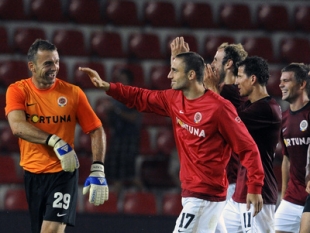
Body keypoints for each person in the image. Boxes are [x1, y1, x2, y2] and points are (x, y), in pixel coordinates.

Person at [79, 50, 265, 233]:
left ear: (191, 75)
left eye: (175, 70)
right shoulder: (174, 98)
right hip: (193, 193)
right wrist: (107, 87)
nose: (169, 75)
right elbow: (140, 97)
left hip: (205, 196)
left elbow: (248, 148)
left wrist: (255, 188)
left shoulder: (220, 108)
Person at [5, 39, 108, 233]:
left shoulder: (73, 93)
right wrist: (55, 141)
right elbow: (17, 126)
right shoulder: (18, 90)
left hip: (63, 172)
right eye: (48, 63)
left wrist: (98, 169)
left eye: (57, 62)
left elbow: (96, 129)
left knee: (51, 231)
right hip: (33, 174)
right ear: (32, 67)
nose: (55, 68)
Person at [170, 37, 248, 233]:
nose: (211, 65)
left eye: (215, 60)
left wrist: (179, 60)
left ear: (228, 64)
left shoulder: (232, 95)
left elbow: (195, 100)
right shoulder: (226, 92)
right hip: (223, 183)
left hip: (227, 184)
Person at [222, 56, 282, 232]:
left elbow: (228, 123)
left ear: (253, 79)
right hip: (240, 193)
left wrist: (211, 89)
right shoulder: (251, 105)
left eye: (240, 76)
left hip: (257, 194)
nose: (237, 81)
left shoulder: (266, 109)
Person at [275, 63, 310, 233]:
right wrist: (283, 194)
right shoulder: (284, 119)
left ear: (302, 84)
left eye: (286, 81)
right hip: (292, 197)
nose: (281, 84)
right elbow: (286, 158)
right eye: (280, 80)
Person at [105, 68, 143, 194]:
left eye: (123, 80)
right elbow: (110, 122)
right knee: (115, 173)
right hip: (117, 137)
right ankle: (117, 203)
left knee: (129, 174)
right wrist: (108, 112)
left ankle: (145, 195)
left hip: (129, 138)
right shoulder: (115, 98)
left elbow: (134, 118)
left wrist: (117, 111)